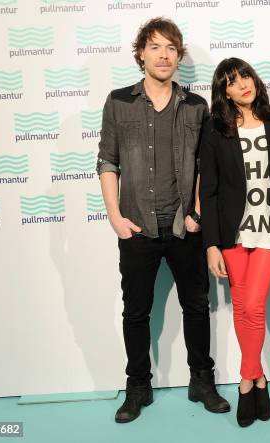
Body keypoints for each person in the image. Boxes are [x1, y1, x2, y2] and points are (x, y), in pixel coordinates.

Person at [96, 17, 230, 423]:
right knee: (135, 312)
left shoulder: (196, 106)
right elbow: (107, 161)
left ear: (179, 55)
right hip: (136, 226)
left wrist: (197, 214)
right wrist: (115, 216)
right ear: (141, 53)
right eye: (155, 46)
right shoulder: (119, 102)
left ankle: (201, 381)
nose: (164, 55)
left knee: (197, 305)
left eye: (171, 48)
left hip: (184, 228)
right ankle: (138, 386)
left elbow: (206, 165)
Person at [199, 58, 270, 427]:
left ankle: (246, 381)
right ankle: (259, 377)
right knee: (244, 306)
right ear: (224, 92)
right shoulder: (215, 130)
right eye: (231, 81)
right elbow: (209, 192)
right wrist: (211, 244)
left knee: (254, 306)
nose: (242, 83)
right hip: (232, 232)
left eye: (244, 75)